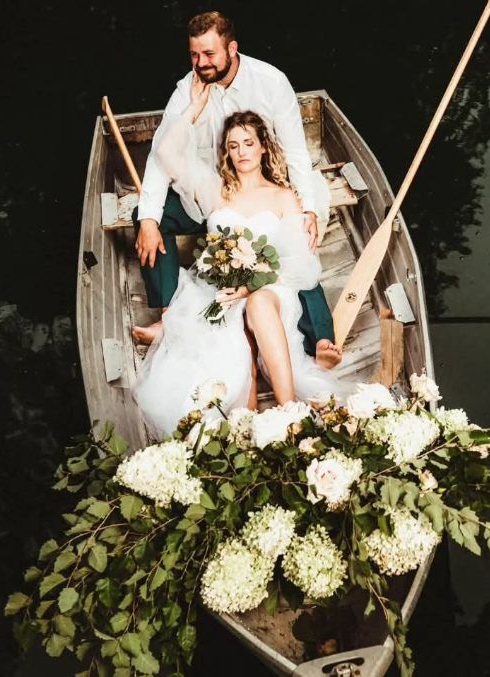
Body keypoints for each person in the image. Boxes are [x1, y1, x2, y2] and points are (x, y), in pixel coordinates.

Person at [132, 75, 349, 438]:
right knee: (233, 335)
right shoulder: (216, 191)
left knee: (258, 304)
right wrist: (193, 109)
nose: (242, 151)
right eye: (233, 146)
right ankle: (247, 421)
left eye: (249, 143)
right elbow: (167, 153)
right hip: (217, 290)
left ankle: (288, 410)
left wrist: (250, 286)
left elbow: (298, 265)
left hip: (272, 291)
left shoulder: (283, 197)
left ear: (263, 147)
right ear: (226, 153)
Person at [132, 10, 342, 369]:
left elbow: (294, 152)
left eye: (209, 54)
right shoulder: (188, 89)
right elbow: (161, 155)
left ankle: (322, 337)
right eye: (194, 55)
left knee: (297, 252)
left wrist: (305, 207)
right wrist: (149, 220)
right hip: (213, 194)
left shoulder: (270, 82)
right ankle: (170, 316)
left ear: (232, 48)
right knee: (149, 216)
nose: (201, 63)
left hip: (265, 187)